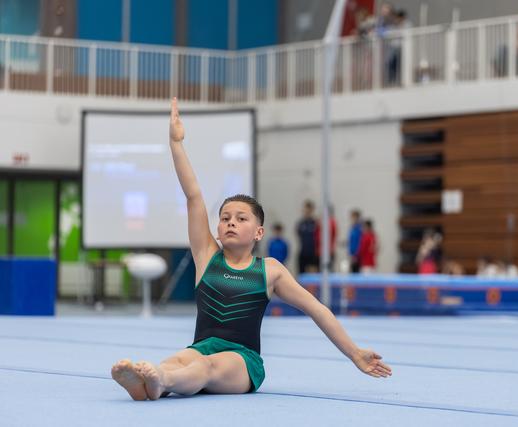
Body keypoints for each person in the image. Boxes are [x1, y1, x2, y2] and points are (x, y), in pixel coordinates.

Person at [110, 98, 391, 401]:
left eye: (240, 219)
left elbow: (318, 310)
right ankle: (146, 385)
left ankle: (159, 380)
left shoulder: (269, 270)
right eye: (225, 218)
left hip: (242, 361)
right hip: (200, 347)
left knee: (203, 367)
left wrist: (355, 353)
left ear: (258, 232)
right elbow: (193, 197)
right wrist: (176, 143)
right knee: (180, 359)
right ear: (217, 229)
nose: (230, 223)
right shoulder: (207, 255)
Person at [296, 200, 319, 273]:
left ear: (312, 210)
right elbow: (298, 234)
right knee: (301, 274)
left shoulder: (315, 223)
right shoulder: (301, 223)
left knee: (313, 274)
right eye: (305, 209)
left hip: (313, 253)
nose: (306, 211)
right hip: (303, 252)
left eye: (308, 210)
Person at [314, 205, 338, 271]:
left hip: (328, 251)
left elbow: (332, 235)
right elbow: (317, 236)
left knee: (328, 270)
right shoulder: (321, 222)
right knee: (320, 271)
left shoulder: (331, 222)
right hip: (321, 251)